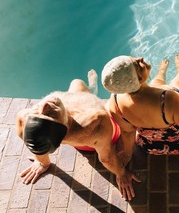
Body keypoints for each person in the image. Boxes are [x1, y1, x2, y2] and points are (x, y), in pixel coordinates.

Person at [15, 70, 139, 201]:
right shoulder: (94, 122)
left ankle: (92, 88)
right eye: (49, 115)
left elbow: (35, 141)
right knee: (120, 104)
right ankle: (96, 93)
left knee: (77, 82)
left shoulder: (24, 117)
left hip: (77, 106)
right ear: (64, 125)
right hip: (106, 132)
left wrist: (42, 163)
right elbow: (107, 158)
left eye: (37, 112)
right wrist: (121, 173)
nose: (44, 106)